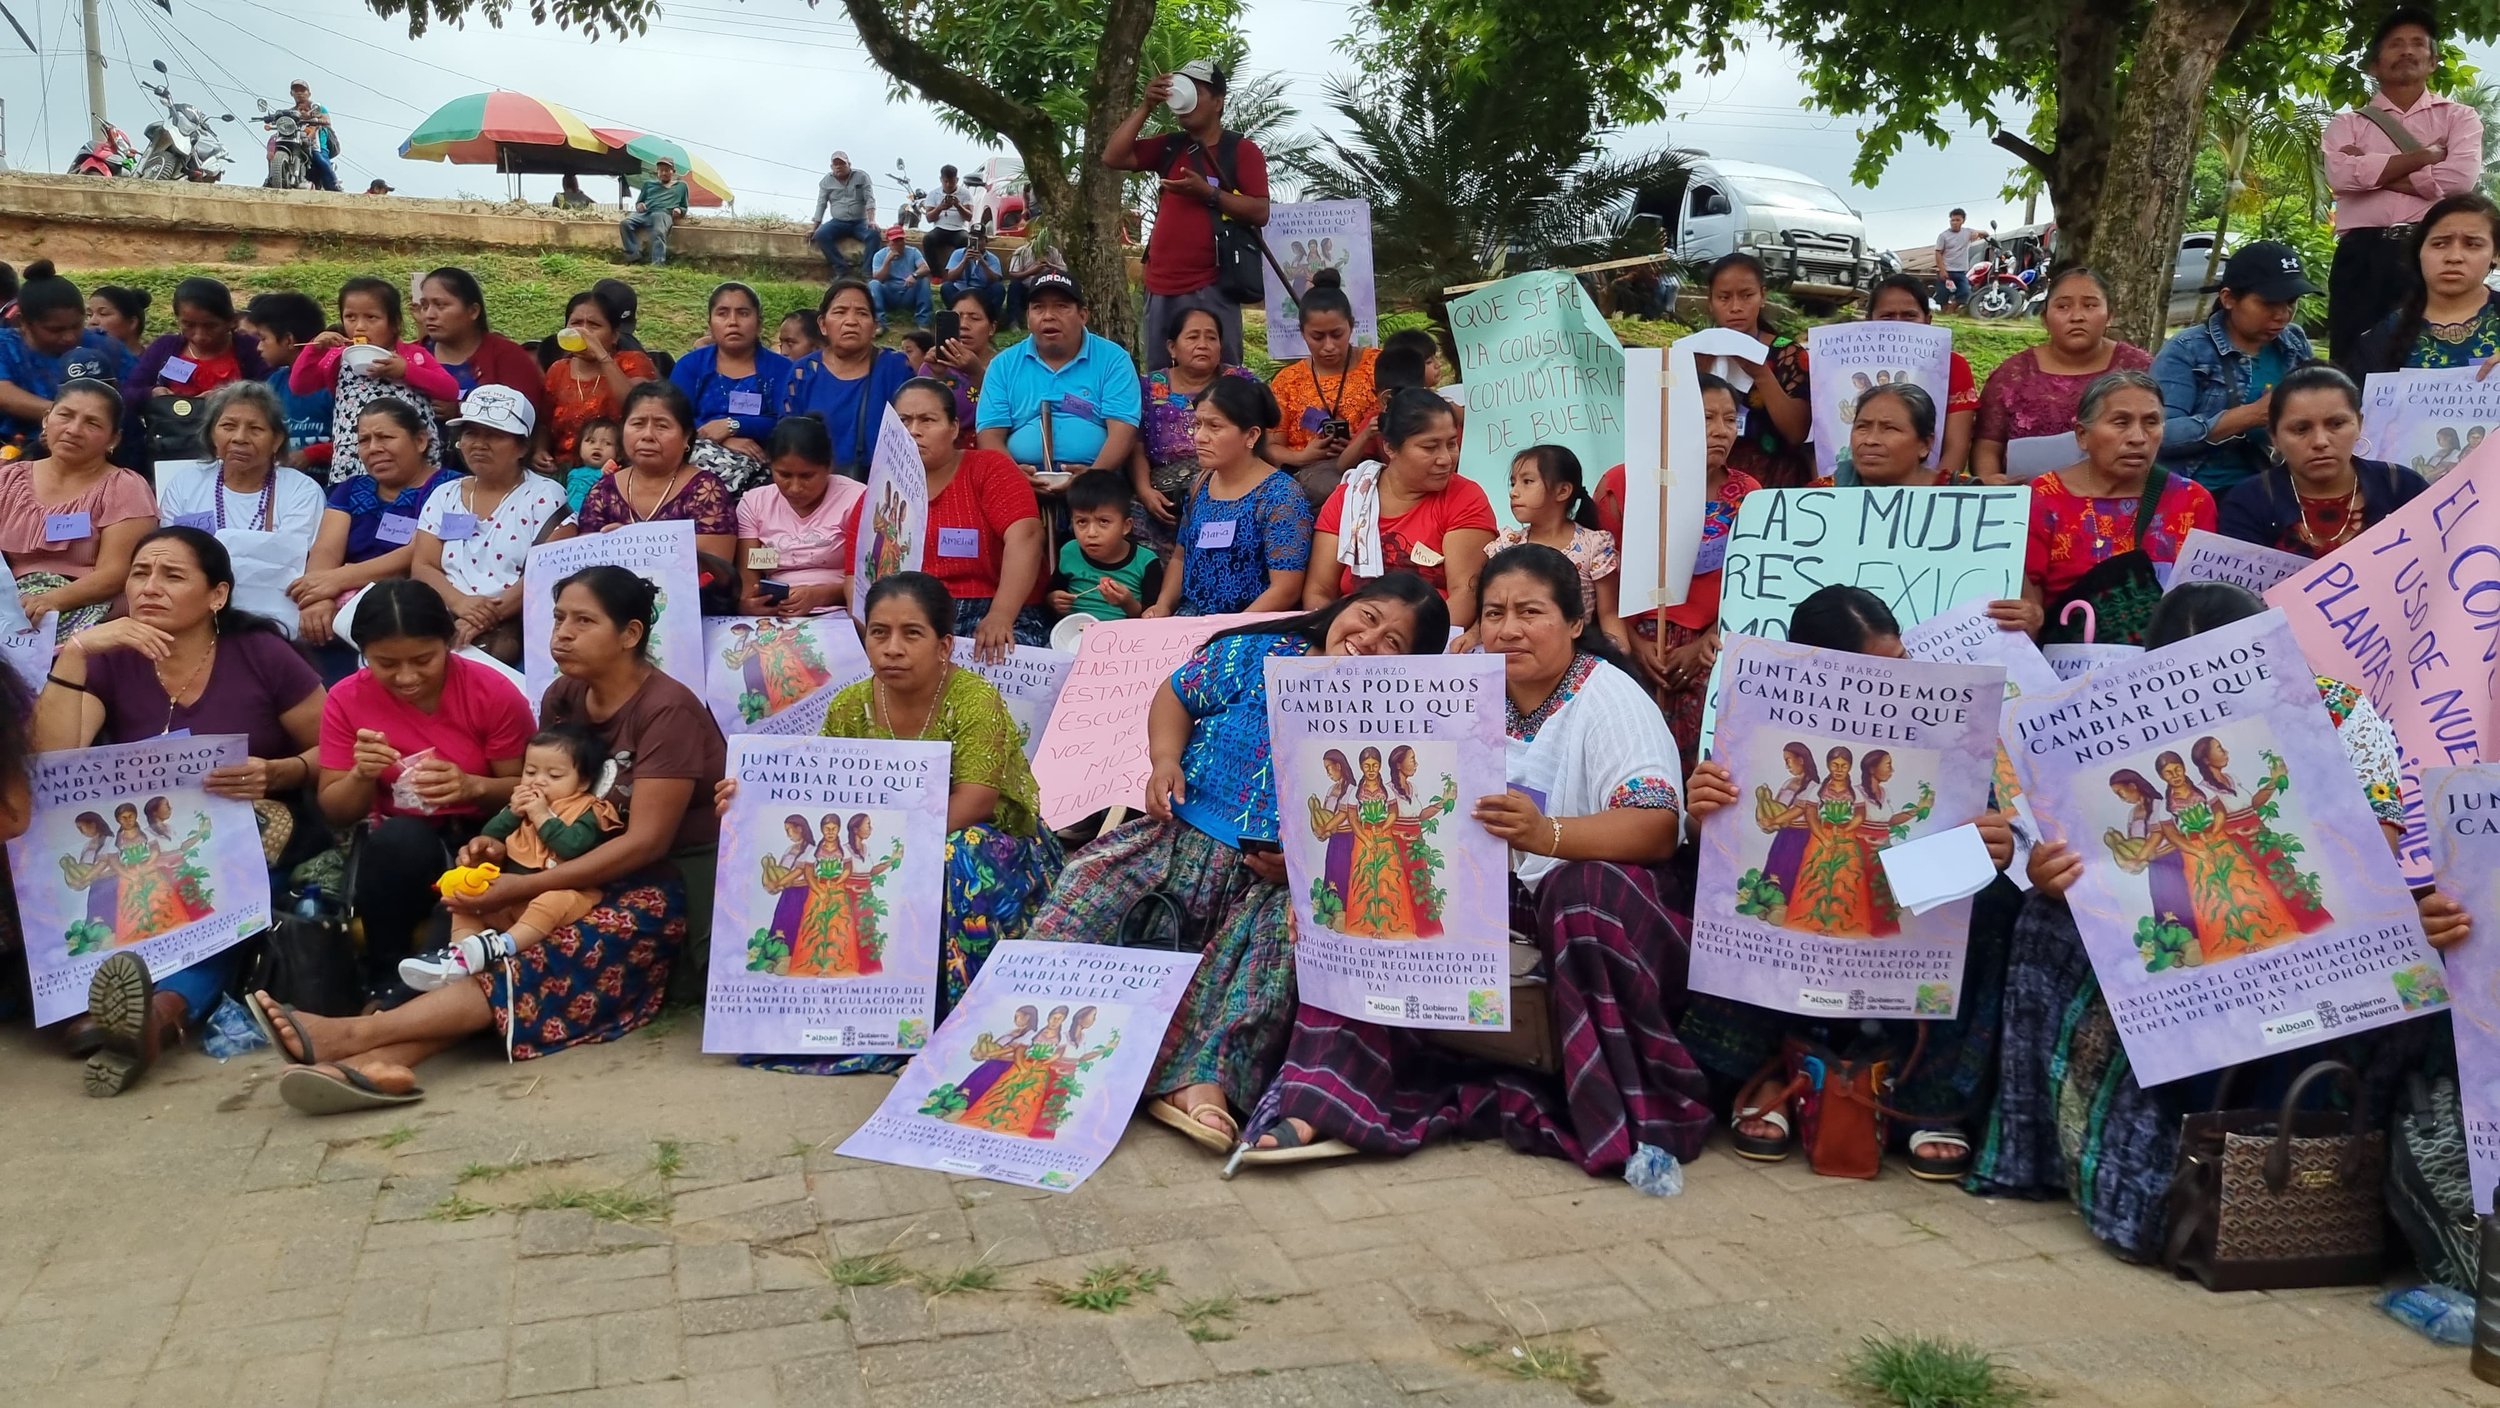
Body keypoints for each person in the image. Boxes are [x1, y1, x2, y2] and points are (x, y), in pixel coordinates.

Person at [1974, 580, 2461, 1257]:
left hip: (2302, 920)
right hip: (2184, 905)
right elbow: (2100, 852)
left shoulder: (2339, 712)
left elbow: (2368, 859)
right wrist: (2057, 876)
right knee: (2044, 921)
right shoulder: (2105, 723)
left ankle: (2306, 1157)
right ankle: (2142, 1157)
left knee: (2408, 960)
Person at [1243, 545, 1704, 1170]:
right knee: (1375, 889)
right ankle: (1324, 1099)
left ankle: (1612, 1106)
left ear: (1575, 622)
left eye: (1530, 612)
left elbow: (1656, 828)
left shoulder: (1609, 697)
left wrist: (1548, 835)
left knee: (1583, 891)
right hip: (1494, 900)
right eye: (1493, 613)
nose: (1508, 629)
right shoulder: (1462, 691)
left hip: (1589, 912)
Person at [252, 566, 723, 1107]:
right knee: (483, 925)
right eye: (558, 618)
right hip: (571, 865)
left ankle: (361, 1034)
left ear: (631, 633)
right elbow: (534, 797)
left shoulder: (665, 710)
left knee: (545, 949)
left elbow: (647, 843)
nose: (562, 634)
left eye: (583, 621)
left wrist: (522, 884)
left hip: (664, 880)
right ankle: (380, 1064)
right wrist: (497, 845)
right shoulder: (565, 696)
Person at [1026, 573, 1450, 1149]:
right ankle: (1023, 1043)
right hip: (1179, 840)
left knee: (1271, 963)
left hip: (1276, 882)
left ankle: (1201, 1080)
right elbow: (1176, 694)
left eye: (1393, 643)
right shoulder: (1257, 653)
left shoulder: (1397, 726)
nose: (1369, 641)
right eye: (1369, 618)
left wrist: (1305, 864)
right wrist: (1164, 759)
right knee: (1084, 897)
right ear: (1345, 605)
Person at [1677, 585, 2020, 1176]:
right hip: (1811, 872)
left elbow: (1983, 827)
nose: (1894, 685)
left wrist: (1994, 843)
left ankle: (1929, 1093)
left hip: (1902, 891)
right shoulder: (1756, 725)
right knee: (1742, 892)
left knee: (1990, 902)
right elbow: (1742, 824)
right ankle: (1767, 1069)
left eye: (1900, 664)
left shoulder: (1948, 723)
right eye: (1871, 674)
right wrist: (1701, 814)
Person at [715, 572, 1063, 1076]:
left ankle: (956, 1021)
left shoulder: (974, 699)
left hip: (993, 848)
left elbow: (975, 802)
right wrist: (746, 800)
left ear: (944, 645)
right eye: (879, 633)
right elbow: (820, 795)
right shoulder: (850, 705)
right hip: (882, 843)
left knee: (955, 851)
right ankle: (830, 1015)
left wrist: (895, 846)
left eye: (911, 633)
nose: (892, 648)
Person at [35, 526, 326, 1094]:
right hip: (143, 839)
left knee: (218, 892)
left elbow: (334, 746)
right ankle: (120, 1009)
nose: (150, 587)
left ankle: (155, 1016)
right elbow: (53, 760)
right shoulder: (110, 658)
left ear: (217, 594)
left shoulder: (261, 653)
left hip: (252, 826)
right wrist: (75, 652)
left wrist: (280, 771)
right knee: (107, 888)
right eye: (140, 573)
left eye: (171, 575)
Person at [317, 578, 532, 1005]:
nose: (406, 676)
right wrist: (361, 775)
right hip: (401, 848)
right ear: (363, 654)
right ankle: (383, 977)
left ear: (449, 642)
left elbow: (525, 789)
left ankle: (411, 995)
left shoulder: (490, 691)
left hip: (488, 835)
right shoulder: (347, 699)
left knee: (464, 885)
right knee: (399, 841)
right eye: (385, 663)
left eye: (423, 660)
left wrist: (473, 786)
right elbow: (335, 809)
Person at [1596, 374, 1757, 768]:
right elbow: (1602, 574)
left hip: (1712, 645)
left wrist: (1707, 642)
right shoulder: (1623, 483)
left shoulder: (1750, 494)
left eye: (1729, 419)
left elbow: (1753, 582)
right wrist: (1632, 642)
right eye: (1706, 418)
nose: (1720, 431)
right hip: (1630, 637)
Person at [400, 724, 620, 990]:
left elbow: (572, 846)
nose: (538, 781)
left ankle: (501, 946)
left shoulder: (589, 810)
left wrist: (541, 815)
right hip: (513, 898)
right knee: (466, 894)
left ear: (583, 781)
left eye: (554, 775)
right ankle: (460, 955)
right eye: (530, 772)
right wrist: (512, 813)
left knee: (552, 900)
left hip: (564, 897)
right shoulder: (521, 804)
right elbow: (491, 833)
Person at [2323, 7, 2484, 365]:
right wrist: (2426, 157)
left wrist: (2370, 172)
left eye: (2417, 44)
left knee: (2432, 359)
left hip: (2430, 250)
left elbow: (2458, 181)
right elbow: (2340, 177)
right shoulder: (2347, 124)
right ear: (2374, 65)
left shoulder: (2460, 117)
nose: (2407, 51)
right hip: (2361, 256)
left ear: (2433, 61)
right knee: (2353, 364)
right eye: (2395, 44)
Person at [2022, 370, 2216, 644]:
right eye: (2121, 422)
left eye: (2151, 422)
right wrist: (2030, 617)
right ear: (2082, 435)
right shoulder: (2044, 496)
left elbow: (2204, 600)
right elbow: (2028, 602)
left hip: (2167, 659)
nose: (2138, 437)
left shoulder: (2192, 500)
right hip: (2066, 657)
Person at [1102, 58, 1272, 369]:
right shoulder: (1171, 146)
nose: (1185, 98)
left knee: (1220, 377)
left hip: (1213, 284)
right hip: (1159, 285)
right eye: (1183, 89)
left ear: (1218, 102)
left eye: (1196, 91)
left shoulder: (1241, 151)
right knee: (1161, 379)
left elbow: (1260, 211)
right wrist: (1146, 106)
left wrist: (1209, 193)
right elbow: (1113, 156)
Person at [880, 377, 1045, 652]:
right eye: (904, 421)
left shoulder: (989, 468)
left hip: (994, 609)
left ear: (954, 427)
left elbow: (1026, 536)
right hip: (904, 614)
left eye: (927, 420)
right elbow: (857, 571)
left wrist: (1001, 615)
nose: (914, 431)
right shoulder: (881, 485)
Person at [1306, 388, 1496, 626]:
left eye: (1451, 444)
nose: (1446, 459)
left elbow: (1464, 596)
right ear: (1390, 448)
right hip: (1351, 633)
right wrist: (1336, 633)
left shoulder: (1465, 498)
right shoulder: (1350, 498)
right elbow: (1319, 591)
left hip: (1432, 637)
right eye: (1430, 447)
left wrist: (1405, 642)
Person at [292, 398, 461, 660]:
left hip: (413, 610)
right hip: (342, 609)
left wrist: (338, 580)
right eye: (364, 440)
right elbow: (326, 549)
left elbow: (422, 552)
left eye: (385, 437)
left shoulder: (453, 489)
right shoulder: (350, 489)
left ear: (420, 441)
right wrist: (317, 598)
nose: (373, 448)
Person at [2149, 241, 2321, 496]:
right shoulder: (2187, 350)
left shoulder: (2294, 342)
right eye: (2269, 303)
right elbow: (2157, 434)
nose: (2282, 315)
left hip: (2282, 487)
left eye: (2291, 302)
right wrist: (2251, 415)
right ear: (2228, 299)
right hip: (2201, 495)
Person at [153, 379, 325, 632]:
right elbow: (174, 555)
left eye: (255, 429)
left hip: (272, 620)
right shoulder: (185, 483)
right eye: (228, 426)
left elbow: (291, 563)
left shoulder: (301, 490)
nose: (239, 438)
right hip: (195, 614)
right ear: (212, 434)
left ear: (277, 440)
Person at [414, 386, 569, 663]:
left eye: (494, 435)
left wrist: (482, 617)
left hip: (516, 624)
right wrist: (460, 603)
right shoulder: (444, 494)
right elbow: (423, 565)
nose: (479, 444)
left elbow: (546, 572)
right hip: (445, 614)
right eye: (471, 433)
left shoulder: (545, 495)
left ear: (522, 446)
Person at [2217, 363, 2428, 557]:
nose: (2320, 441)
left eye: (2336, 424)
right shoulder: (2248, 502)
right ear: (2274, 436)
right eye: (2301, 429)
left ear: (2359, 424)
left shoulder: (2404, 487)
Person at [1145, 375, 1312, 618]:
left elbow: (1286, 589)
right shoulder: (1201, 484)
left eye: (1214, 426)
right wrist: (1163, 605)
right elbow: (1181, 557)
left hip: (1248, 626)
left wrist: (1228, 629)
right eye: (1198, 424)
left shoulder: (1280, 496)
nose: (1200, 436)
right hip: (1191, 621)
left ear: (1251, 436)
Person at [3, 380, 154, 640]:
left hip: (93, 614)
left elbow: (116, 573)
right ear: (46, 420)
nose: (73, 430)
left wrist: (51, 600)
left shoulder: (125, 487)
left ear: (113, 438)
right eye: (65, 415)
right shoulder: (8, 480)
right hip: (12, 607)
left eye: (92, 423)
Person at [1973, 268, 2154, 485]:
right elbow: (1987, 444)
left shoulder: (2140, 368)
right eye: (2063, 307)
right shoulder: (2013, 374)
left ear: (2110, 315)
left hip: (2124, 496)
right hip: (2027, 499)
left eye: (2090, 305)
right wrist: (1990, 481)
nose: (2077, 317)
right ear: (2045, 318)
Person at [974, 272, 1142, 486]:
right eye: (1038, 308)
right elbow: (989, 435)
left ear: (1083, 315)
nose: (1048, 316)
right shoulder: (1003, 365)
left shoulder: (1113, 359)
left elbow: (1123, 432)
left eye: (1061, 306)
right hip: (1019, 477)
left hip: (1098, 476)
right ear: (1028, 318)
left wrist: (1092, 477)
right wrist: (1014, 477)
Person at [293, 278, 460, 487]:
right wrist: (313, 350)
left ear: (395, 323)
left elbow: (450, 389)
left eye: (371, 317)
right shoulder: (337, 359)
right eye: (350, 317)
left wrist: (406, 371)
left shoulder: (413, 356)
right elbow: (299, 385)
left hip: (410, 465)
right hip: (353, 461)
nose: (359, 327)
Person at [1131, 304, 1263, 553]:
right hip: (1164, 493)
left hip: (1230, 483)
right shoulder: (1149, 386)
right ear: (1172, 347)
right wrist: (1144, 490)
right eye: (1193, 337)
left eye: (1211, 338)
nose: (1203, 344)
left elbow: (1260, 436)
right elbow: (1136, 444)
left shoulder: (1240, 382)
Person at [573, 381, 737, 566]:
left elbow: (716, 571)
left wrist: (633, 548)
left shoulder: (706, 491)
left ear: (686, 437)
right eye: (638, 424)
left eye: (662, 426)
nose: (648, 435)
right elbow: (586, 568)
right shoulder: (603, 490)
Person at [1477, 445, 1620, 649]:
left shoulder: (1594, 546)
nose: (1514, 493)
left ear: (1562, 491)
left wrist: (1619, 655)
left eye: (1527, 482)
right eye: (1513, 483)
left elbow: (1609, 614)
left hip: (1575, 651)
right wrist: (1473, 633)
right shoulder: (1507, 545)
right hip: (1516, 647)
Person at [124, 276, 271, 469]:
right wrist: (152, 394)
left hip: (235, 453)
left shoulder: (251, 350)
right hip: (173, 451)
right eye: (188, 325)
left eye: (210, 326)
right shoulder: (165, 348)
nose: (199, 335)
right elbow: (128, 393)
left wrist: (232, 397)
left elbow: (274, 393)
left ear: (232, 321)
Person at [2350, 192, 2500, 374]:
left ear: (2495, 254)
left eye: (2472, 244)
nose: (2454, 257)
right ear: (2419, 251)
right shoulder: (2380, 340)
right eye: (2439, 244)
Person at [782, 280, 917, 479]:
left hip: (881, 486)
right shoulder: (804, 372)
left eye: (862, 313)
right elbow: (786, 437)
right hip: (816, 486)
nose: (851, 321)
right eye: (840, 312)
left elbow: (913, 432)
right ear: (823, 324)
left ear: (874, 326)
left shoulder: (895, 368)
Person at [1699, 255, 1813, 488]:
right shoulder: (1694, 351)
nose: (1735, 307)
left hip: (1774, 484)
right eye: (1724, 298)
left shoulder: (1787, 353)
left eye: (1746, 295)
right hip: (1707, 484)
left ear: (1762, 296)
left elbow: (1796, 432)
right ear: (1710, 301)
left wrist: (1761, 374)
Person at [1266, 272, 1380, 504]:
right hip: (1309, 474)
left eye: (1337, 334)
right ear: (1302, 333)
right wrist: (1302, 456)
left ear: (1351, 326)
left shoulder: (1377, 365)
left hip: (1372, 467)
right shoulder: (1288, 381)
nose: (1329, 346)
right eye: (1317, 337)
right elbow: (1270, 447)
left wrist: (1361, 442)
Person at [671, 281, 792, 496]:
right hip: (697, 457)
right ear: (710, 324)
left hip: (764, 463)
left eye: (743, 313)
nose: (733, 322)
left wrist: (734, 425)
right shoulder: (690, 366)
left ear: (759, 324)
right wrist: (722, 439)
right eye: (723, 313)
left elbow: (787, 422)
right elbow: (673, 418)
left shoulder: (782, 369)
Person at [737, 413, 864, 616]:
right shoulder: (754, 503)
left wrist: (819, 596)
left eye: (807, 476)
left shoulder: (857, 499)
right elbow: (749, 577)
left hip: (840, 613)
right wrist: (751, 604)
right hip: (776, 615)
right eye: (784, 475)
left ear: (829, 466)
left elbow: (869, 581)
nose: (795, 488)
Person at [0, 263, 131, 452]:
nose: (69, 337)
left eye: (77, 326)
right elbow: (5, 395)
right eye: (55, 330)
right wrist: (68, 417)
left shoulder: (104, 346)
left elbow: (134, 388)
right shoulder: (5, 346)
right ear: (23, 322)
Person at [416, 266, 549, 450]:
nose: (429, 315)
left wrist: (460, 410)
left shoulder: (508, 357)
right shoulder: (410, 357)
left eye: (441, 305)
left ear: (473, 311)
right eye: (425, 306)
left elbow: (528, 419)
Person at [1863, 274, 1978, 479]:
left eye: (1909, 316)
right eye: (1887, 316)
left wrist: (1933, 490)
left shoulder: (1952, 366)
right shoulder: (1838, 364)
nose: (1899, 325)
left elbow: (1957, 446)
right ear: (1868, 320)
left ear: (1928, 320)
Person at [545, 287, 658, 467]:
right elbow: (543, 421)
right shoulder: (558, 370)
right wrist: (539, 450)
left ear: (614, 336)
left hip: (615, 469)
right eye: (576, 323)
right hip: (564, 469)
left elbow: (637, 407)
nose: (584, 332)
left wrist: (602, 356)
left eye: (594, 325)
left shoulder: (633, 362)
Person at [239, 291, 336, 473]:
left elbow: (355, 439)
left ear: (289, 340)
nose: (258, 347)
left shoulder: (332, 380)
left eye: (263, 338)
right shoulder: (275, 382)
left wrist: (312, 454)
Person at [1049, 470, 1163, 620]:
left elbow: (1151, 618)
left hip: (1123, 632)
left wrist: (1127, 603)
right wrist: (1053, 599)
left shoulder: (1146, 562)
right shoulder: (1069, 551)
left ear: (1126, 526)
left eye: (1103, 522)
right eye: (1082, 522)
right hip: (1073, 630)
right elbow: (1052, 592)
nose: (1091, 533)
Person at [810, 151, 881, 277]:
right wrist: (814, 227)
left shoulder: (861, 176)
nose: (839, 167)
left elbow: (869, 199)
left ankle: (866, 273)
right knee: (821, 235)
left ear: (849, 164)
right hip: (838, 222)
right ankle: (842, 270)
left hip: (860, 222)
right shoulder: (826, 181)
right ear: (831, 167)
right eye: (835, 164)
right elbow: (821, 204)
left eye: (842, 164)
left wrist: (871, 220)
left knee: (874, 234)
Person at [620, 158, 691, 266]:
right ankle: (633, 256)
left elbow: (684, 207)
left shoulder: (681, 186)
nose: (663, 173)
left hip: (663, 213)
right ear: (657, 172)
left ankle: (658, 263)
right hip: (645, 213)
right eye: (661, 170)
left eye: (667, 170)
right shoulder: (648, 184)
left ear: (673, 171)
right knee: (625, 223)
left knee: (658, 232)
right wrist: (640, 206)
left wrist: (679, 210)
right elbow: (639, 202)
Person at [869, 227, 932, 330]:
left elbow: (925, 268)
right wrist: (887, 262)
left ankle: (923, 322)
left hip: (908, 291)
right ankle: (880, 323)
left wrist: (914, 275)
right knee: (873, 284)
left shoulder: (913, 251)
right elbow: (878, 278)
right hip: (889, 294)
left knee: (924, 281)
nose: (899, 243)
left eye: (901, 240)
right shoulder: (879, 255)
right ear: (888, 242)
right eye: (895, 241)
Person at [285, 80, 340, 192]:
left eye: (302, 90)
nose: (299, 93)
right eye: (296, 90)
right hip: (296, 139)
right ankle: (273, 178)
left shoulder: (317, 108)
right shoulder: (290, 112)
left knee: (319, 158)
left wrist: (313, 119)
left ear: (309, 93)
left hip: (317, 141)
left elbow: (326, 121)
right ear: (291, 93)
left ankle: (334, 184)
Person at [921, 163, 973, 280]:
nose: (949, 184)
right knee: (927, 239)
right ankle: (936, 275)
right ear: (941, 180)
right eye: (946, 181)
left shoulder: (965, 193)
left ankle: (958, 275)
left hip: (959, 229)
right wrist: (940, 208)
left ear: (957, 180)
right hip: (940, 228)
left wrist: (958, 205)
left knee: (966, 241)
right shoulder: (933, 194)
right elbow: (929, 218)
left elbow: (969, 217)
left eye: (952, 182)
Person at [1001, 240, 1067, 331]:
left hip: (1046, 287)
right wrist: (1033, 271)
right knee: (1014, 285)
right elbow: (1013, 273)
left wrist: (1050, 265)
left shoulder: (1053, 251)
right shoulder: (1022, 251)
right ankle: (1013, 321)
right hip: (1026, 288)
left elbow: (1064, 270)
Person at [941, 229, 1005, 309]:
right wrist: (964, 261)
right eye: (973, 239)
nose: (977, 243)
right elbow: (950, 277)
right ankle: (957, 312)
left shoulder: (992, 258)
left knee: (998, 288)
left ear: (986, 241)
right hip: (961, 290)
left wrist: (983, 262)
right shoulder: (958, 253)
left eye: (979, 239)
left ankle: (989, 315)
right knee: (946, 287)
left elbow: (995, 280)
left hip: (982, 291)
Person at [566, 417, 618, 515]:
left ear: (619, 453)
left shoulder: (617, 477)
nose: (597, 447)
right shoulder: (574, 473)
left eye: (607, 443)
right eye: (591, 441)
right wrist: (601, 473)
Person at [85, 285, 150, 360]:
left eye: (103, 314)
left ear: (132, 323)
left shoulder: (153, 363)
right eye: (89, 315)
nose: (92, 321)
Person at [1934, 209, 1975, 313]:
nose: (1954, 223)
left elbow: (1985, 233)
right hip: (1946, 270)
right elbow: (1938, 253)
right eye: (1952, 220)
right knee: (1943, 295)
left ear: (1963, 221)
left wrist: (1977, 233)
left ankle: (1952, 308)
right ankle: (1944, 314)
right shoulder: (1943, 235)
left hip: (1961, 271)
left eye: (1957, 220)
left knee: (1965, 292)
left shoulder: (1967, 232)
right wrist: (1942, 270)